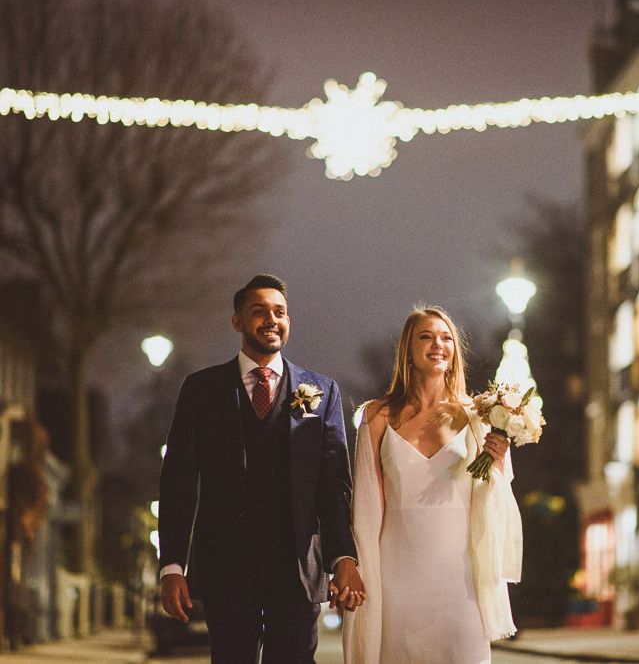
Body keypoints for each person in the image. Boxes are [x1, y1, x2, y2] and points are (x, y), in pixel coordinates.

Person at [158, 274, 365, 664]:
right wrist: (172, 565)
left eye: (279, 312)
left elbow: (334, 486)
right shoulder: (201, 390)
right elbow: (178, 483)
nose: (271, 320)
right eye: (259, 312)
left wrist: (344, 560)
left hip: (298, 568)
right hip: (226, 566)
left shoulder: (322, 391)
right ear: (237, 321)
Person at [343, 306, 522, 664]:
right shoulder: (377, 417)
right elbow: (364, 505)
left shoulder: (478, 416)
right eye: (425, 337)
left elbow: (497, 497)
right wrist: (362, 569)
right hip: (396, 571)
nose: (437, 344)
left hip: (461, 576)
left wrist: (498, 461)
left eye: (445, 338)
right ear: (407, 350)